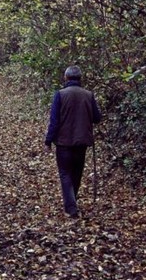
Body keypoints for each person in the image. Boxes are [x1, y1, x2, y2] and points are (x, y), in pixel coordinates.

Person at [45, 65, 101, 218]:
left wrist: (48, 140)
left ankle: (71, 207)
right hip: (82, 142)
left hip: (64, 142)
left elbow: (54, 121)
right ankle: (72, 202)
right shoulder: (89, 95)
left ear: (66, 78)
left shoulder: (60, 94)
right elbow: (97, 118)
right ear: (80, 78)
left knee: (65, 173)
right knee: (76, 173)